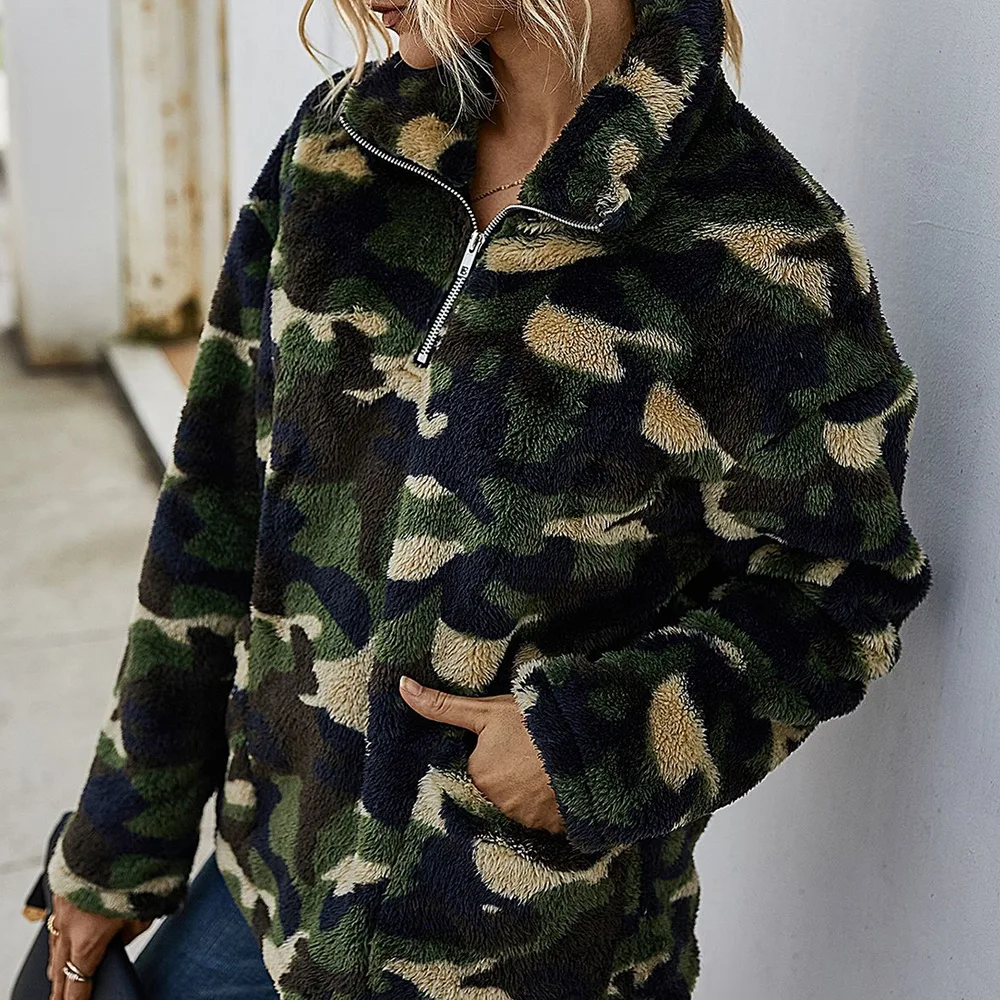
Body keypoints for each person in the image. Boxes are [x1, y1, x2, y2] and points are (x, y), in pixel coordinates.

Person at [43, 0, 934, 996]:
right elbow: (214, 497)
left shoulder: (759, 246)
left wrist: (592, 747)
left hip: (526, 951)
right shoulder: (340, 152)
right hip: (269, 893)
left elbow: (843, 590)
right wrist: (124, 831)